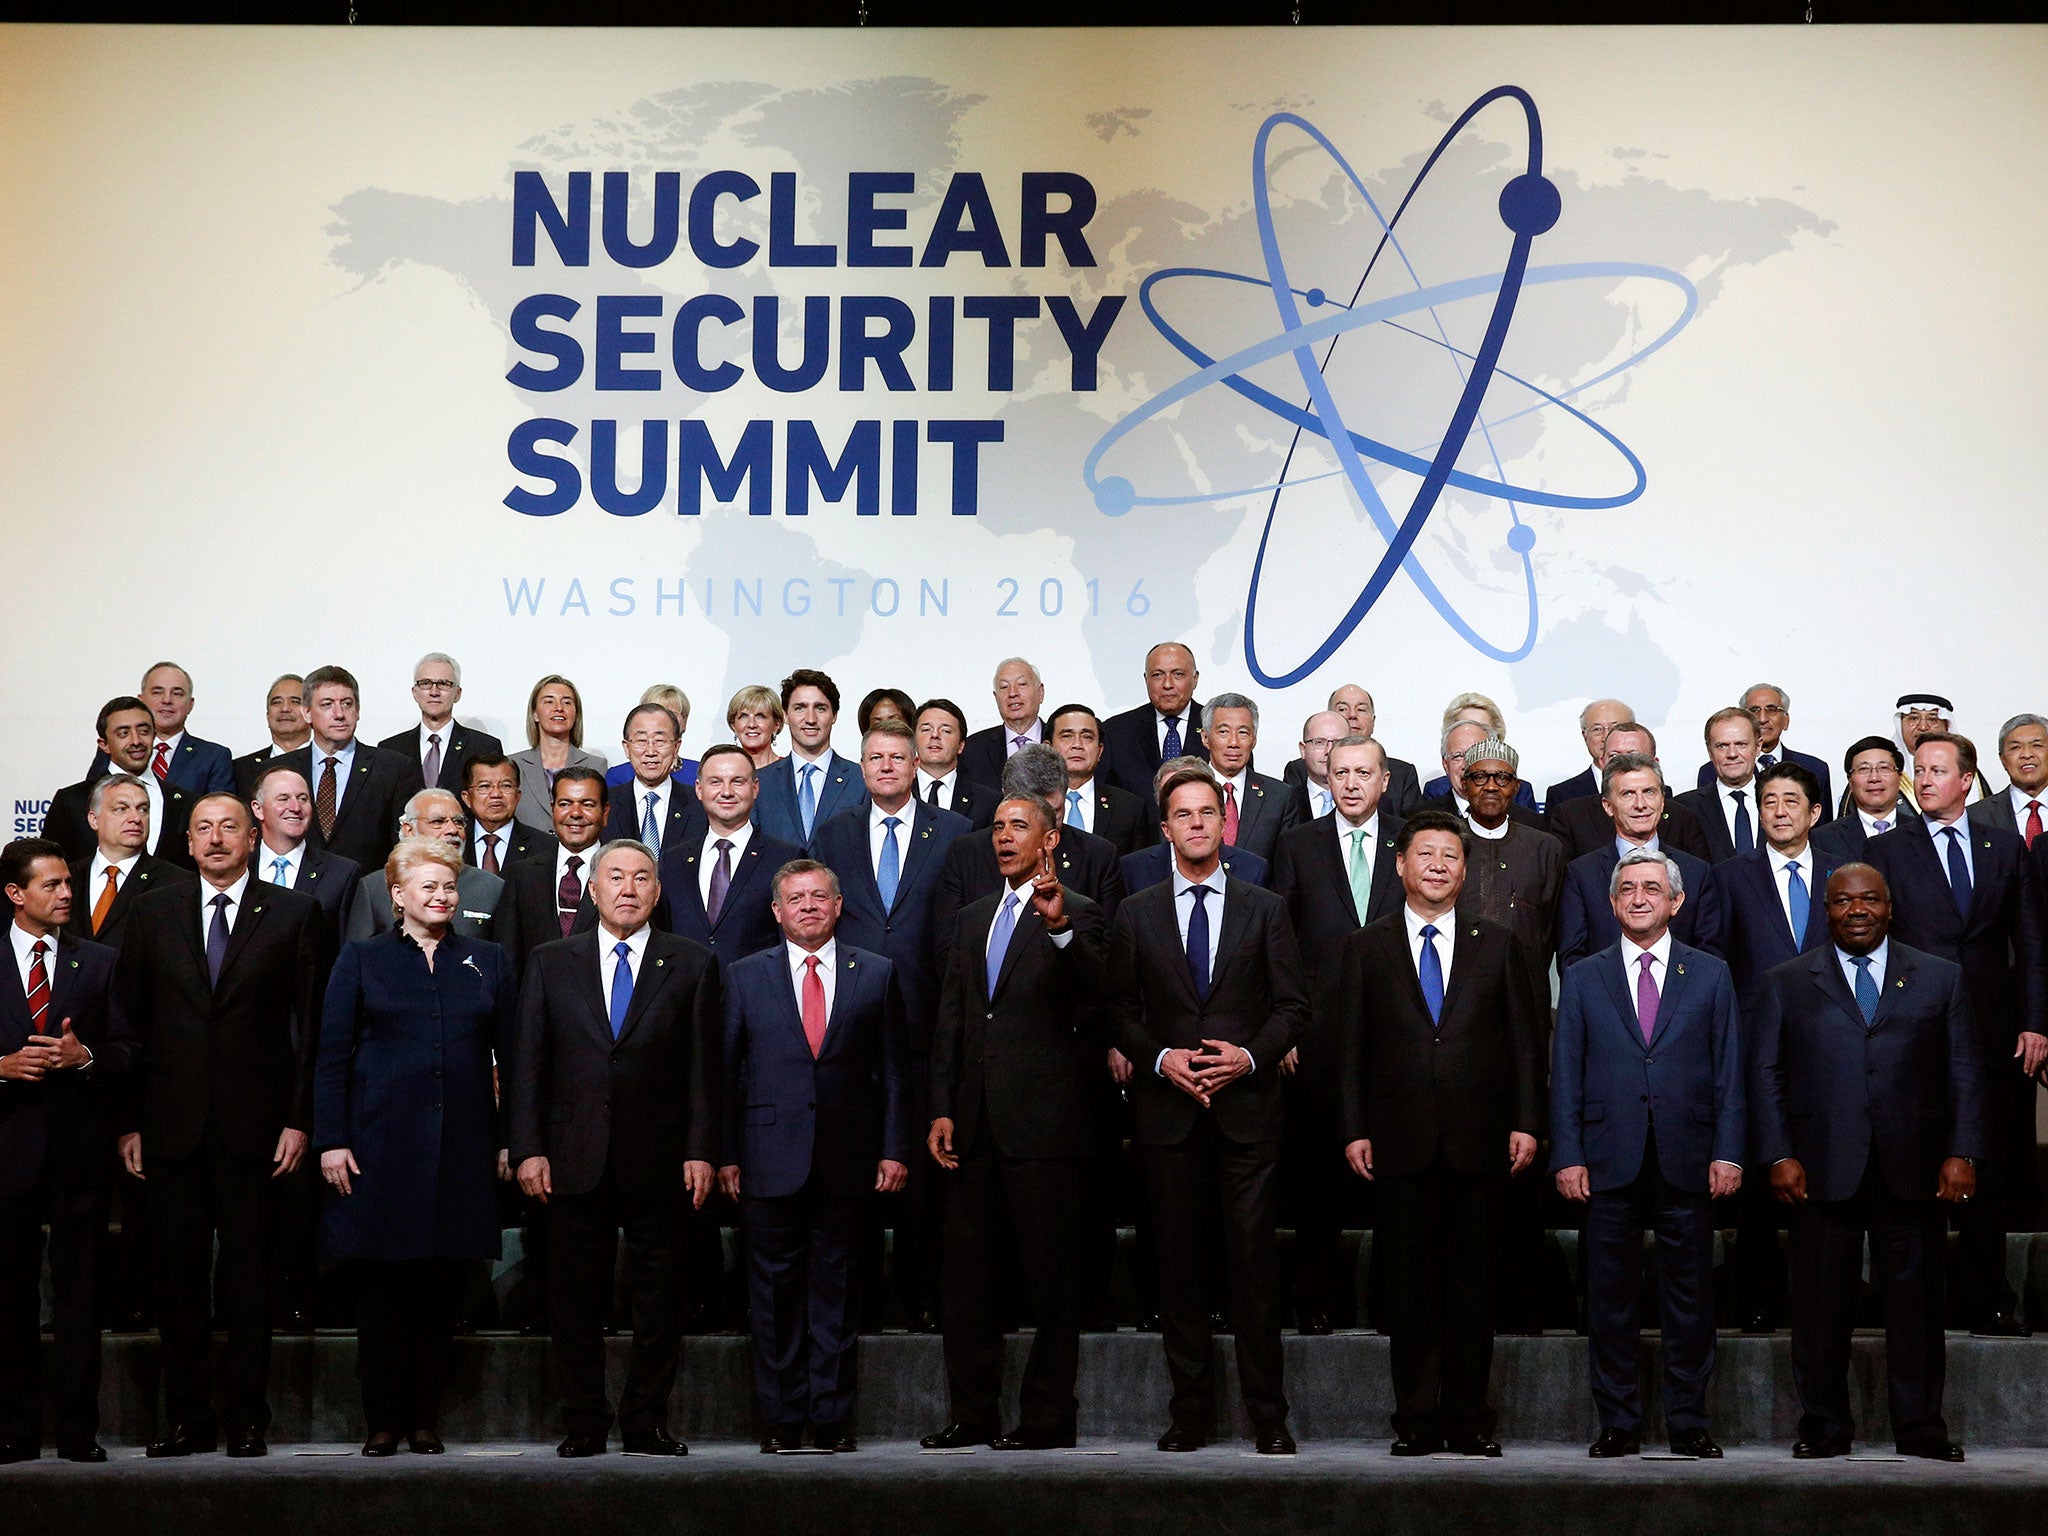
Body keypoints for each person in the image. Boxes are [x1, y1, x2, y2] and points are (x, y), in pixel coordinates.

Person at [115, 792, 330, 1457]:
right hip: (171, 1127)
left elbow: (312, 1029)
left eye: (228, 827)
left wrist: (299, 1121)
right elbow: (128, 1022)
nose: (215, 839)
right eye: (202, 829)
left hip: (257, 1131)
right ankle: (186, 1417)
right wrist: (129, 1123)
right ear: (185, 841)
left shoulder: (294, 912)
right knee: (176, 1282)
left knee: (248, 1282)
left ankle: (245, 1418)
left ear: (253, 834)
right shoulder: (151, 911)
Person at [1106, 764, 1308, 1455]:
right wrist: (1160, 1059)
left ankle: (1268, 1416)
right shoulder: (1135, 913)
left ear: (1225, 824)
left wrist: (1247, 1058)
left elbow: (1292, 1007)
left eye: (1206, 813)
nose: (1196, 823)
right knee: (1181, 1272)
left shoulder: (1266, 906)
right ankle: (1188, 1412)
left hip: (1248, 1113)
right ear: (1164, 830)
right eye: (1181, 815)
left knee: (1253, 1270)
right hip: (1168, 1117)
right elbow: (1121, 1011)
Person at [1750, 863, 1983, 1460]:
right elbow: (1767, 1074)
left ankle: (1922, 1428)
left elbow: (1962, 1071)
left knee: (1918, 1310)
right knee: (1821, 1312)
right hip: (1820, 1168)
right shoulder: (1787, 981)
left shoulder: (1940, 977)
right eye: (1842, 901)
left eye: (1869, 900)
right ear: (1825, 909)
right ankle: (1824, 1428)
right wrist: (1778, 1152)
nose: (1857, 910)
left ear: (1889, 906)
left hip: (1915, 1169)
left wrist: (1962, 1151)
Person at [1338, 809, 1544, 1457]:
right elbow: (1349, 1049)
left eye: (1449, 856)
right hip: (1396, 1143)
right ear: (1399, 865)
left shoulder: (1497, 942)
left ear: (1465, 868)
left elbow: (1524, 1042)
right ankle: (1417, 1421)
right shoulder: (1366, 947)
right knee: (1409, 1290)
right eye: (1424, 853)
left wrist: (1527, 1122)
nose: (1436, 864)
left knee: (1472, 1289)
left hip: (1480, 1143)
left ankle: (1468, 1420)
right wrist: (1354, 1129)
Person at [510, 839, 721, 1458]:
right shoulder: (552, 960)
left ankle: (646, 1421)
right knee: (574, 1298)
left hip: (662, 1160)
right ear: (591, 890)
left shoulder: (692, 961)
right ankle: (583, 1421)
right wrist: (526, 1146)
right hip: (572, 1156)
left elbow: (705, 1070)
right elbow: (528, 1061)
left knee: (661, 1300)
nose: (627, 888)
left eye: (641, 878)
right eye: (615, 877)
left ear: (658, 892)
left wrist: (702, 1149)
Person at [315, 836, 514, 1456]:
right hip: (378, 1148)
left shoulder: (487, 958)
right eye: (427, 887)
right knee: (381, 1296)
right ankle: (383, 1420)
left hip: (460, 1148)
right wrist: (332, 1139)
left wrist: (510, 1141)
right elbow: (331, 1057)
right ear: (397, 896)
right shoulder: (362, 957)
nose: (441, 896)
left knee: (439, 1292)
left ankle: (424, 1419)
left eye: (449, 887)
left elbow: (513, 1059)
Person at [921, 796, 1107, 1450]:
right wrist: (942, 1105)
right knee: (967, 1284)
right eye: (997, 827)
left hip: (1047, 1129)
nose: (1004, 837)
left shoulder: (1078, 914)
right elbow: (954, 1019)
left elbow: (1100, 997)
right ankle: (972, 1416)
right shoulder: (972, 920)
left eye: (1018, 826)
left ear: (1049, 839)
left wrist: (1059, 931)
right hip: (972, 1128)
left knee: (1051, 1283)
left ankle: (1048, 1419)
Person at [1550, 847, 1743, 1458]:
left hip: (1689, 1158)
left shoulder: (1710, 973)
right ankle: (1619, 1422)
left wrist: (1730, 1151)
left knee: (1690, 1299)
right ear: (1612, 904)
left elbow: (1729, 1073)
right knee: (1609, 1300)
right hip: (1607, 1160)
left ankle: (1689, 1421)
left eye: (1651, 888)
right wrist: (1569, 1154)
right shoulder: (1583, 976)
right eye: (1627, 888)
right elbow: (1567, 1075)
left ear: (1676, 902)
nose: (1638, 897)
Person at [719, 860, 910, 1453]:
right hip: (766, 1158)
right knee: (772, 1300)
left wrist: (893, 1149)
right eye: (795, 898)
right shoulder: (745, 976)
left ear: (838, 904)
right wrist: (725, 1154)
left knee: (837, 1293)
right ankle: (780, 1420)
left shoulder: (875, 973)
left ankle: (829, 1419)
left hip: (848, 1159)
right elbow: (725, 1074)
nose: (807, 906)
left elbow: (896, 1074)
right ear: (776, 911)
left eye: (818, 897)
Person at [1865, 732, 2045, 1337]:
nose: (1925, 779)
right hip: (1914, 1034)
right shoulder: (1890, 849)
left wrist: (2036, 1021)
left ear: (1967, 780)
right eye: (1919, 770)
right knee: (1915, 1175)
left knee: (1984, 1174)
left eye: (1938, 770)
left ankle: (1989, 1298)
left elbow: (2031, 941)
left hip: (1994, 1032)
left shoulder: (2003, 846)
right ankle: (1917, 1308)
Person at [812, 718, 972, 1332]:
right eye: (874, 757)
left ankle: (921, 1296)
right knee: (853, 1173)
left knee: (926, 1181)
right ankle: (860, 1304)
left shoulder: (955, 832)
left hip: (929, 1025)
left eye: (897, 757)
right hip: (851, 1030)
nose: (885, 766)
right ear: (861, 763)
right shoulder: (833, 833)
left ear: (916, 765)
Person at [0, 838, 136, 1464]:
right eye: (51, 885)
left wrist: (85, 1058)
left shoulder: (100, 961)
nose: (66, 894)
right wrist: (0, 1066)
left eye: (67, 884)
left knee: (81, 1297)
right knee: (10, 1296)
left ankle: (80, 1429)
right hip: (7, 1152)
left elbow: (130, 1052)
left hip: (79, 1154)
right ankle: (15, 1428)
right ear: (15, 894)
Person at [1271, 735, 1403, 1334]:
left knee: (1398, 1180)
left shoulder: (1412, 841)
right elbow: (1279, 944)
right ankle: (1317, 1300)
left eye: (1363, 772)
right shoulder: (1298, 844)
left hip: (1400, 1038)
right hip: (1318, 1038)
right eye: (1339, 772)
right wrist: (1287, 1029)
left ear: (1385, 780)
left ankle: (1390, 1303)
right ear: (1324, 779)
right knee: (1317, 1181)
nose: (1350, 783)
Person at [1718, 761, 1844, 1333]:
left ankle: (1826, 1301)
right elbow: (1715, 964)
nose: (1779, 812)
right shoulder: (1729, 876)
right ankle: (1760, 1297)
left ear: (1815, 813)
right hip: (1754, 1048)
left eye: (1791, 802)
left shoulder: (1847, 874)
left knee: (1830, 1177)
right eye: (1769, 802)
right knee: (1762, 1179)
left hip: (1834, 1048)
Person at [1558, 752, 1726, 971]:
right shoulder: (1581, 875)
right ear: (1608, 806)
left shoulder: (1696, 872)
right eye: (1628, 794)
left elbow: (1709, 958)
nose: (1640, 804)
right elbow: (1572, 961)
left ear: (1662, 801)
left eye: (1649, 792)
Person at [661, 744, 803, 962]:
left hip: (756, 991)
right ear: (699, 789)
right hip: (686, 992)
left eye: (738, 781)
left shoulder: (785, 858)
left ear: (755, 789)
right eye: (716, 782)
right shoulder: (673, 861)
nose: (726, 792)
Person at [278, 666, 426, 876]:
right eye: (327, 705)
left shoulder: (394, 769)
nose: (339, 714)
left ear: (357, 711)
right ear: (307, 713)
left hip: (367, 896)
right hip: (296, 895)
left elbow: (404, 847)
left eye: (347, 704)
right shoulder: (280, 771)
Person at [44, 696, 194, 867]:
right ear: (104, 744)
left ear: (154, 736)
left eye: (144, 731)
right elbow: (49, 867)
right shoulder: (72, 800)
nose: (136, 741)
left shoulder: (186, 802)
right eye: (124, 733)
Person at [492, 767, 609, 981]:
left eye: (587, 804)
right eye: (565, 804)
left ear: (605, 812)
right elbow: (508, 958)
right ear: (552, 808)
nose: (575, 813)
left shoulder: (623, 875)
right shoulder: (522, 874)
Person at [345, 790, 503, 944]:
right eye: (438, 822)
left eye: (458, 822)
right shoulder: (374, 887)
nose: (453, 830)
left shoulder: (492, 887)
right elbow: (356, 961)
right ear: (409, 830)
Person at [62, 773, 196, 948]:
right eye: (121, 809)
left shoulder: (178, 883)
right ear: (94, 820)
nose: (136, 818)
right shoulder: (67, 878)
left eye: (143, 809)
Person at [1547, 721, 1711, 862]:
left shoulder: (1682, 818)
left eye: (1635, 757)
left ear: (1655, 763)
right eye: (1614, 757)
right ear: (1602, 762)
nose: (1624, 765)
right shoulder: (1571, 816)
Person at [80, 663, 236, 797]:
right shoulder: (115, 748)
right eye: (157, 692)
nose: (167, 700)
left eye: (177, 693)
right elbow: (91, 801)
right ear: (140, 700)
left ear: (190, 704)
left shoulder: (213, 756)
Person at [754, 670, 866, 851]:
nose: (811, 719)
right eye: (800, 708)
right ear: (785, 715)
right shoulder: (762, 782)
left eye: (820, 708)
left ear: (834, 715)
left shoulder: (860, 779)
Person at [248, 764, 361, 933]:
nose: (295, 808)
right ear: (258, 809)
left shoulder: (342, 874)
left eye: (303, 799)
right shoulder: (239, 868)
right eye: (283, 799)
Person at [372, 652, 504, 795]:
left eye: (443, 684)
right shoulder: (390, 749)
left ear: (457, 693)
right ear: (414, 692)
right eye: (425, 684)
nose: (434, 692)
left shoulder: (483, 747)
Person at [1282, 685, 1421, 817]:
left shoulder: (1403, 774)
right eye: (1342, 709)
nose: (1352, 715)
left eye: (1361, 709)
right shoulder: (1298, 770)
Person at [1692, 683, 1834, 812]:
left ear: (1786, 720)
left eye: (1772, 710)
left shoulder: (1815, 769)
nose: (1762, 719)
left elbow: (1822, 832)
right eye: (1754, 710)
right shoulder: (1712, 771)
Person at [1197, 692, 1302, 863]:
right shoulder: (1185, 792)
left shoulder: (1279, 797)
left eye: (1243, 733)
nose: (1233, 742)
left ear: (1254, 739)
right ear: (1205, 738)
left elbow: (1288, 867)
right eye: (1223, 732)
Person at [1100, 642, 1207, 806]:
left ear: (1195, 679)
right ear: (1146, 679)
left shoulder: (1218, 728)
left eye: (1178, 674)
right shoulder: (1116, 731)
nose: (1167, 684)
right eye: (1157, 675)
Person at [603, 702, 705, 857]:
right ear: (626, 748)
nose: (650, 751)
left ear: (676, 747)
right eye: (641, 741)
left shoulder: (699, 804)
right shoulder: (605, 805)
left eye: (660, 741)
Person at [510, 674, 607, 834]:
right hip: (526, 856)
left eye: (567, 702)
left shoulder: (596, 765)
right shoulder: (513, 765)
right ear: (535, 713)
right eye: (549, 701)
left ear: (576, 714)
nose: (559, 708)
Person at [1049, 702, 1150, 853]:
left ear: (1100, 751)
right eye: (1067, 736)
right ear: (1047, 748)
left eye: (1087, 737)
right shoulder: (1031, 804)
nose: (1077, 744)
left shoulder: (1129, 809)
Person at [1672, 707, 1764, 864]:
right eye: (1722, 746)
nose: (1732, 754)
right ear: (1709, 751)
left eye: (1741, 744)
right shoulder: (1685, 808)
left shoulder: (1782, 802)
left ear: (1758, 746)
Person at [1420, 693, 1535, 811]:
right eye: (1463, 725)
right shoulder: (1436, 791)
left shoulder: (1520, 792)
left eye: (1481, 727)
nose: (1470, 731)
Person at [1422, 719, 1544, 830]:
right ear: (1445, 764)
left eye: (1476, 755)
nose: (1467, 765)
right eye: (1458, 756)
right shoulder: (1421, 819)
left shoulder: (1531, 823)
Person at [1813, 736, 1910, 862]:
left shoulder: (1923, 833)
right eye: (1864, 769)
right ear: (1850, 781)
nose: (1874, 778)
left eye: (1884, 768)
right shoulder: (1823, 839)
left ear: (1900, 777)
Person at [460, 750, 558, 871]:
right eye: (485, 786)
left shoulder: (546, 846)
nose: (496, 794)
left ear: (517, 796)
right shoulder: (453, 842)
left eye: (506, 786)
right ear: (467, 798)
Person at [959, 657, 1049, 788]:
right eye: (1004, 687)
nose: (1012, 693)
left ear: (1040, 692)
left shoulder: (1061, 743)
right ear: (996, 697)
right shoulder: (973, 750)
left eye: (1022, 684)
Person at [911, 698, 997, 829]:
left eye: (945, 731)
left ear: (961, 745)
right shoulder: (897, 792)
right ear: (914, 740)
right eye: (926, 729)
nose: (935, 735)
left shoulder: (988, 801)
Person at [1968, 712, 2048, 846]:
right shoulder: (1975, 817)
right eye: (2015, 747)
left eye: (2037, 745)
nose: (2027, 754)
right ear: (2003, 759)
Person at [607, 686, 701, 794]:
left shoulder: (700, 772)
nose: (661, 719)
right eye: (655, 710)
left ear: (685, 722)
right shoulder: (618, 776)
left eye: (671, 714)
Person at [1543, 699, 1633, 811]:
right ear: (1585, 736)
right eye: (1597, 729)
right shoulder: (1561, 795)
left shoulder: (1657, 791)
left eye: (1615, 728)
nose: (1606, 737)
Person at [232, 674, 312, 794]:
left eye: (295, 702)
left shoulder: (326, 765)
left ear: (310, 713)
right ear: (268, 716)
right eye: (276, 702)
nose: (285, 708)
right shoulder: (240, 769)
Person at [1285, 709, 1348, 822]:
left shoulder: (1371, 802)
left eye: (1338, 743)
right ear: (1303, 750)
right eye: (1319, 742)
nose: (1329, 750)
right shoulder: (1282, 802)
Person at [727, 684, 786, 770]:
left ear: (777, 724)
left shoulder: (790, 771)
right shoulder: (723, 771)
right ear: (733, 725)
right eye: (744, 716)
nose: (752, 724)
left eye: (760, 716)